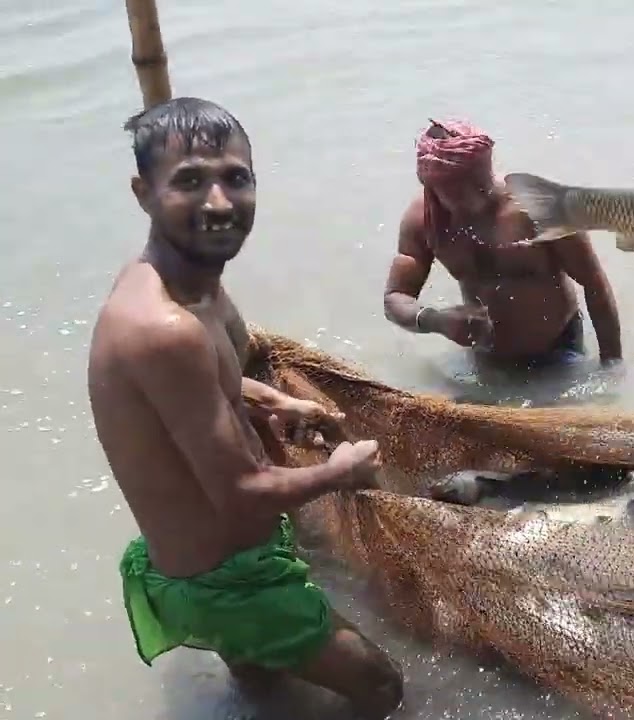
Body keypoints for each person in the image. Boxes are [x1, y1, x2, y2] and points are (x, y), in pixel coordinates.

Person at [88, 97, 404, 719]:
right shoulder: (161, 326)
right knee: (381, 687)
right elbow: (240, 492)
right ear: (141, 192)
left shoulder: (196, 281)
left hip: (221, 559)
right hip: (220, 583)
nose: (218, 202)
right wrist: (344, 470)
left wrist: (272, 398)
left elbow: (205, 386)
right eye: (189, 181)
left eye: (235, 177)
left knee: (266, 689)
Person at [383, 118, 623, 370]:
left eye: (480, 185)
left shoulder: (541, 208)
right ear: (431, 187)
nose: (476, 198)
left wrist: (612, 365)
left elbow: (593, 282)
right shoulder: (423, 222)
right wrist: (436, 320)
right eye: (460, 191)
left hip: (558, 349)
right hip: (485, 356)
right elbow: (395, 298)